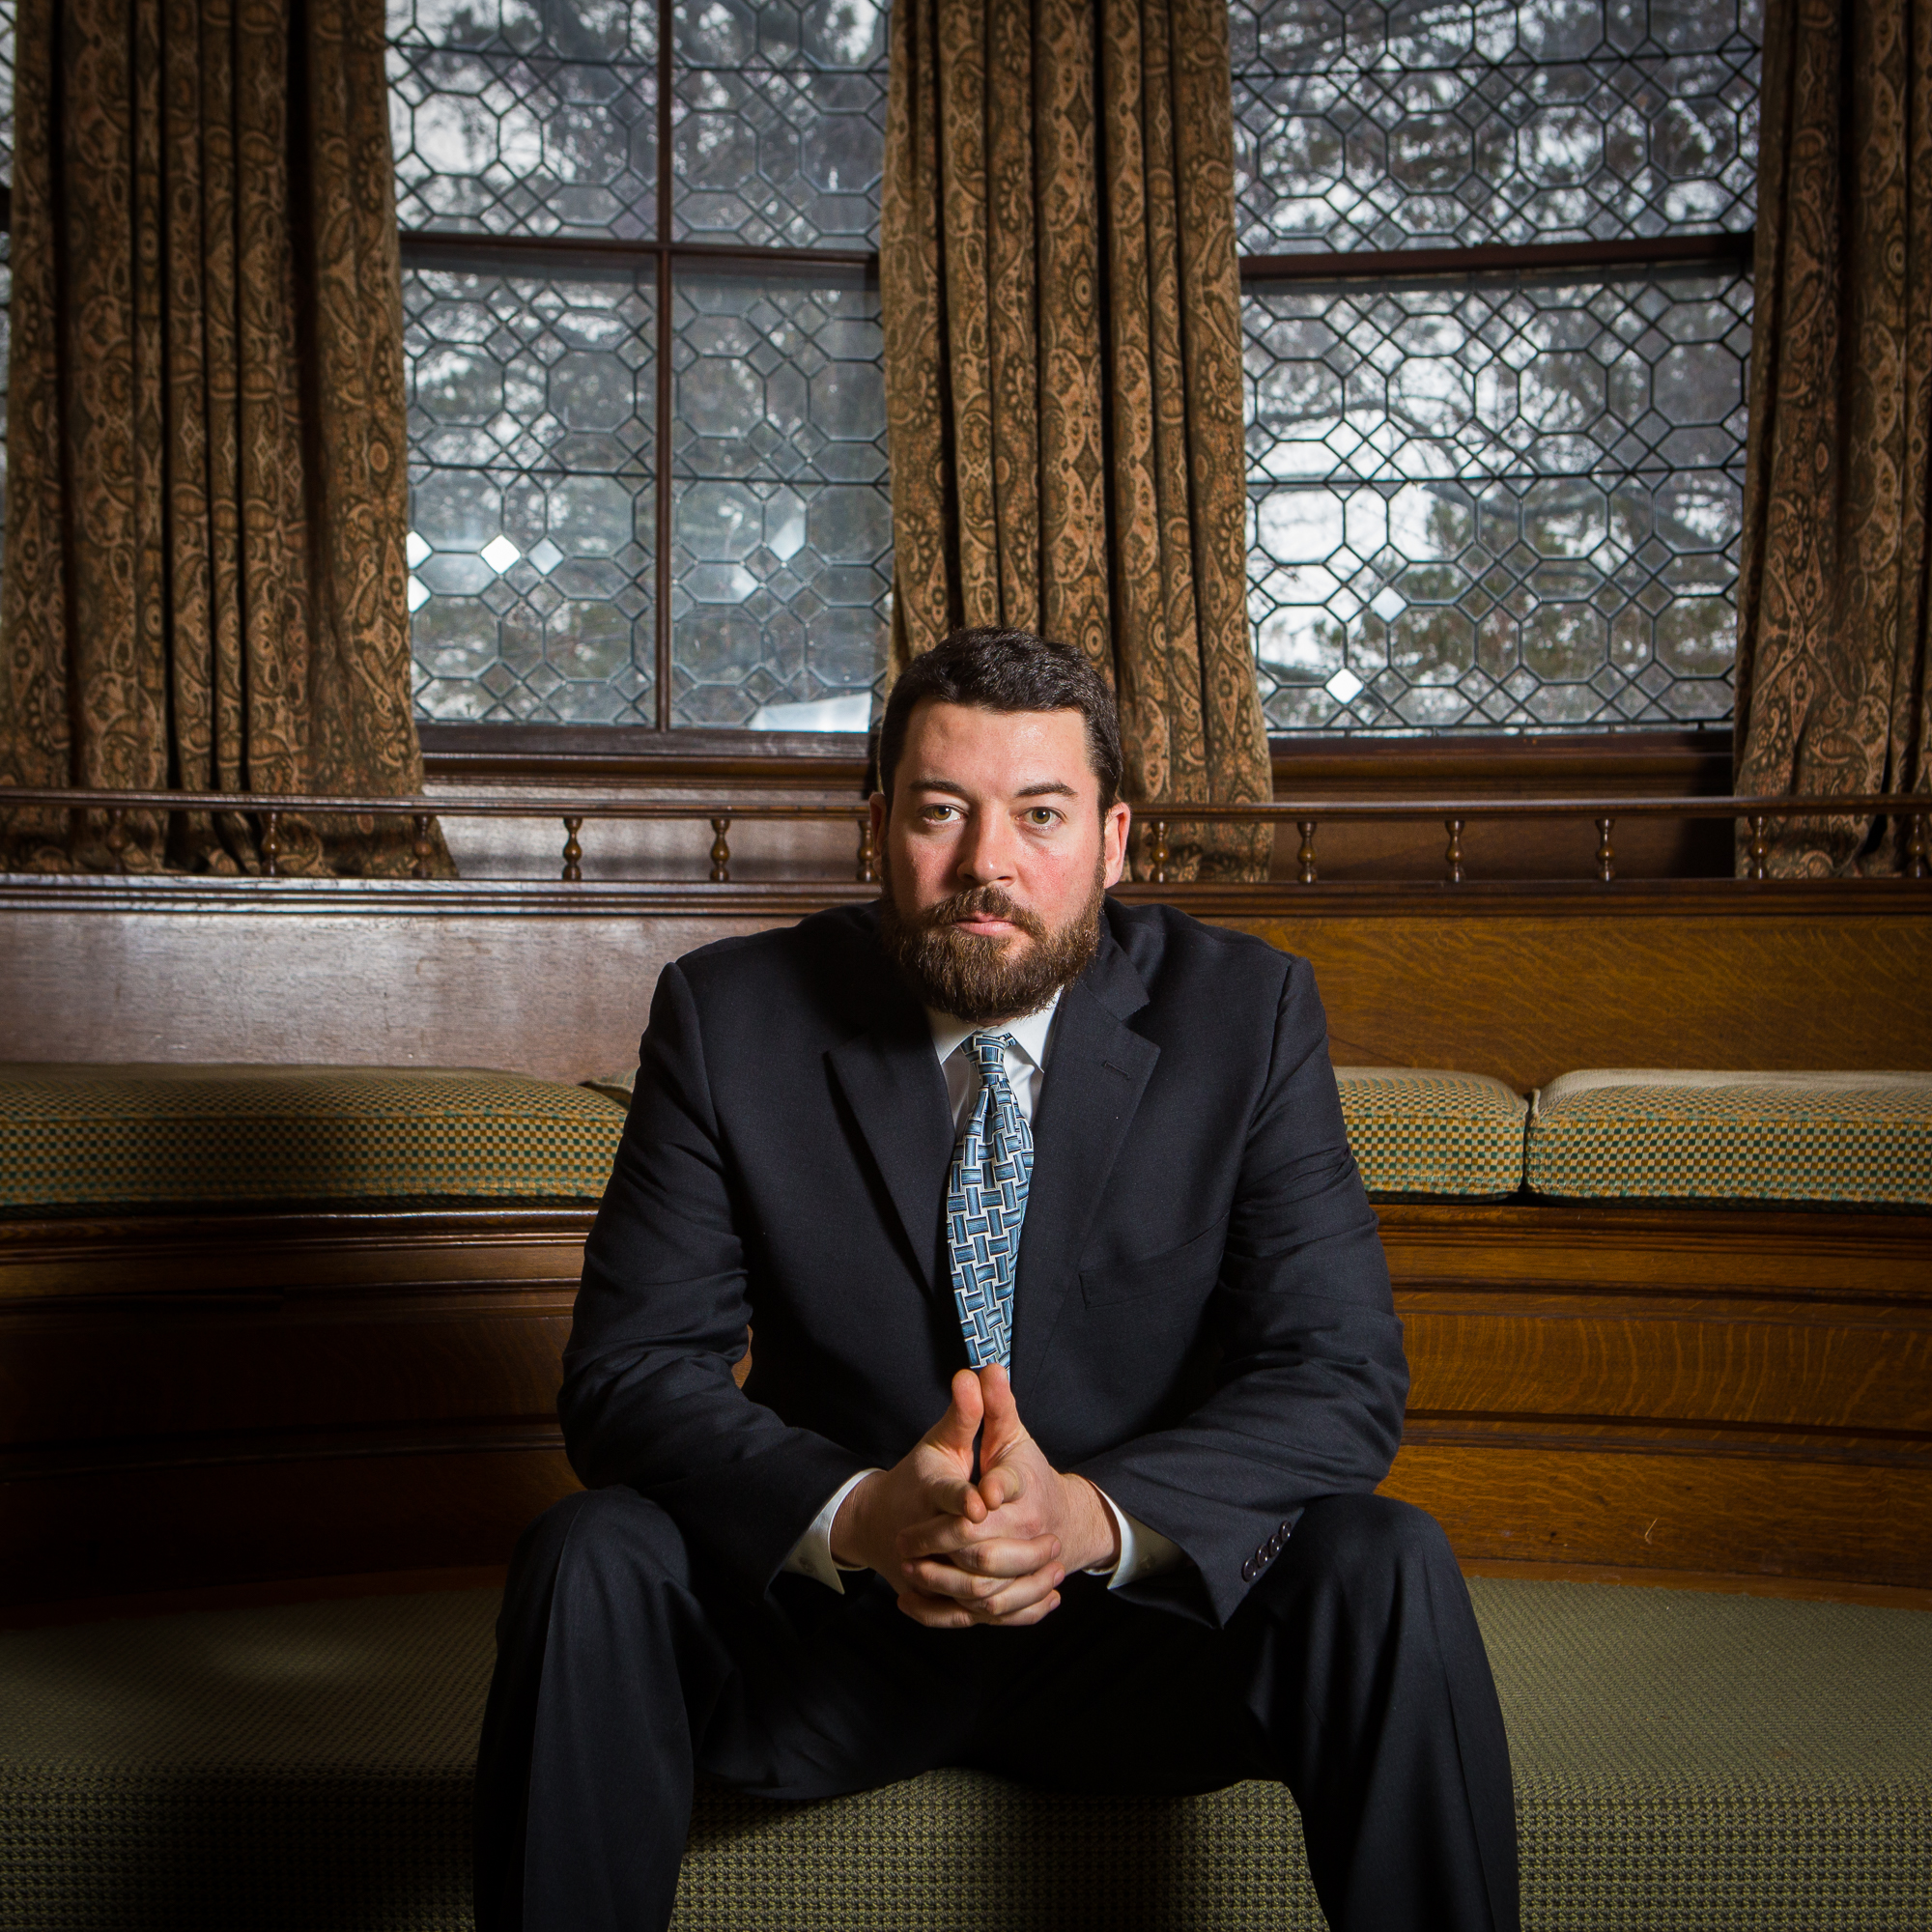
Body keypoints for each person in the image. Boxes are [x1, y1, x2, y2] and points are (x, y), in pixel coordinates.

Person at [474, 627, 1520, 1932]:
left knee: (1386, 1557)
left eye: (1039, 814)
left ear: (1114, 840)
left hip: (1143, 1646)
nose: (988, 863)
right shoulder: (727, 1015)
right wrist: (861, 1515)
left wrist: (1083, 1521)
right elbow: (629, 1374)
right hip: (837, 1639)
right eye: (940, 813)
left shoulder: (1245, 1014)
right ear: (876, 830)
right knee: (591, 1552)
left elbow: (1339, 1375)